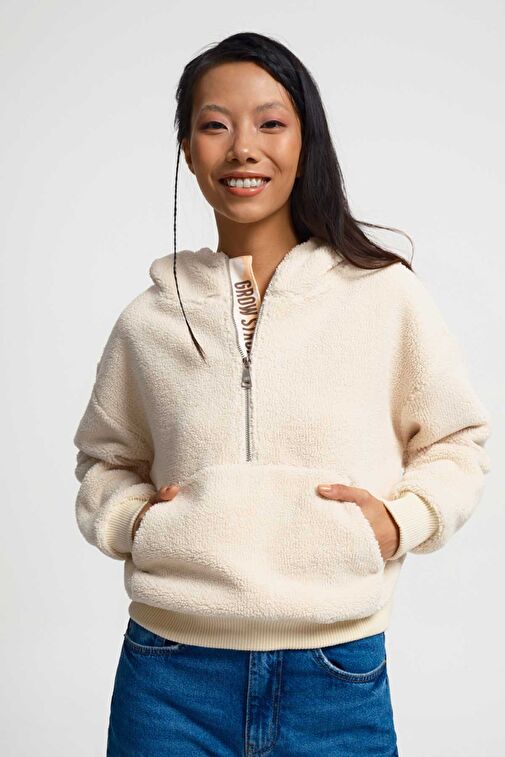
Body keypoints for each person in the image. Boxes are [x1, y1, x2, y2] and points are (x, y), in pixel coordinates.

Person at [73, 31, 492, 756]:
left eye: (270, 123)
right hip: (169, 674)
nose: (243, 148)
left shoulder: (384, 296)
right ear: (187, 148)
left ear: (306, 141)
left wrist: (398, 522)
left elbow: (456, 441)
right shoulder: (150, 319)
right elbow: (104, 459)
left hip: (336, 676)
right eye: (215, 125)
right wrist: (135, 521)